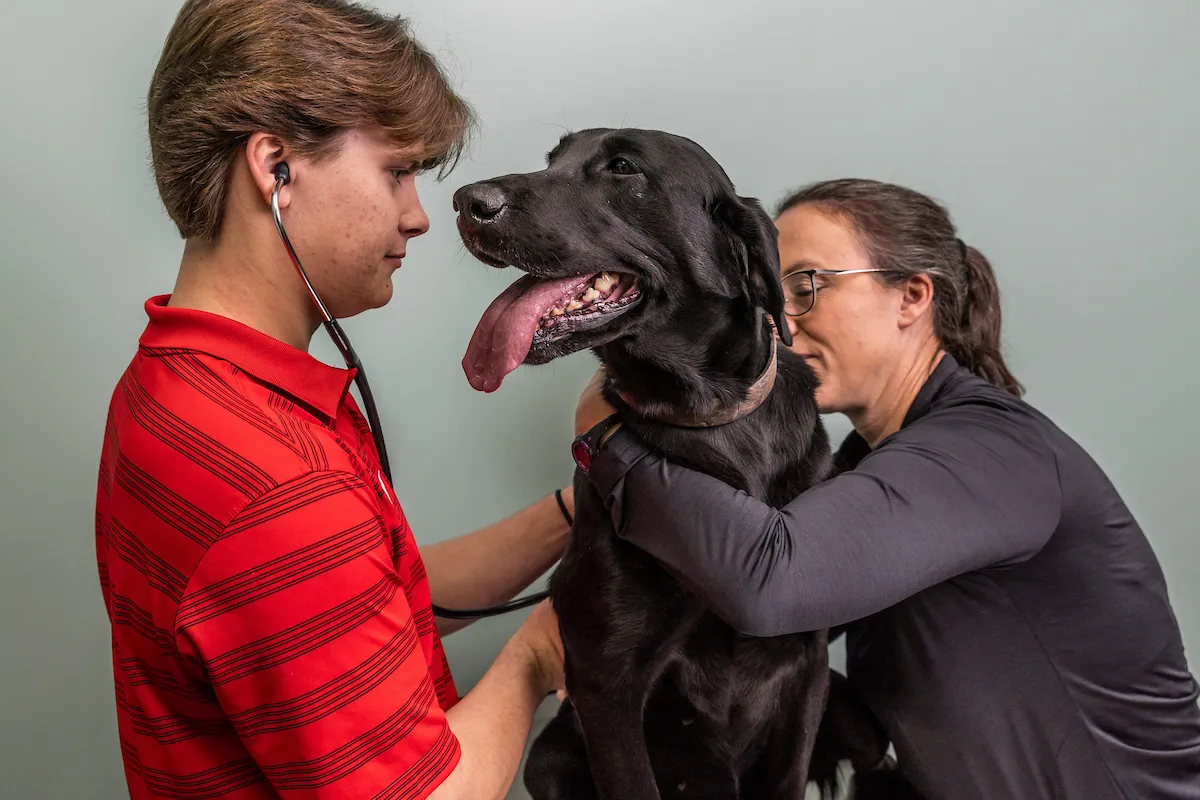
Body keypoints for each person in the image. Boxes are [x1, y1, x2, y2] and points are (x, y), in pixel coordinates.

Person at [573, 178, 1200, 798]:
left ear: (912, 297)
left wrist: (605, 438)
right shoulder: (864, 461)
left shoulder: (989, 451)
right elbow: (757, 629)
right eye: (768, 288)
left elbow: (770, 586)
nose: (775, 319)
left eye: (806, 286)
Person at [94, 2, 568, 798]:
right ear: (276, 166)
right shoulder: (277, 486)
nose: (418, 217)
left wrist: (574, 511)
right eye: (396, 172)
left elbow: (367, 602)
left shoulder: (174, 384)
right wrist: (537, 656)